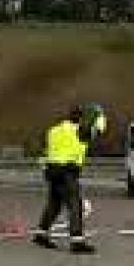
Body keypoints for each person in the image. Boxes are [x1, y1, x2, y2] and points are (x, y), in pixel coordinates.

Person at [33, 103, 105, 254]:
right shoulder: (80, 131)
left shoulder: (54, 130)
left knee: (54, 204)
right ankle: (77, 242)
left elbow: (46, 149)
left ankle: (41, 234)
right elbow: (98, 131)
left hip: (52, 170)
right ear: (80, 118)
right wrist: (99, 116)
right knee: (75, 205)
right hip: (67, 171)